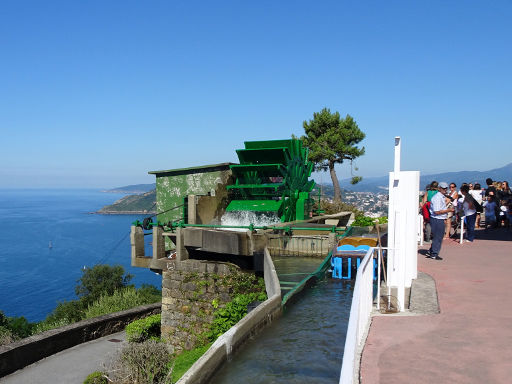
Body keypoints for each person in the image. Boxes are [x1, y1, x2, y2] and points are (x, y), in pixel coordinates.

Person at [427, 182, 454, 260]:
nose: (445, 190)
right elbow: (436, 211)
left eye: (446, 188)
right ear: (439, 188)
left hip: (439, 219)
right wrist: (448, 210)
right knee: (438, 237)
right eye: (443, 188)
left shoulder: (441, 197)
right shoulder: (437, 198)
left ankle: (432, 251)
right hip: (437, 219)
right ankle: (434, 254)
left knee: (438, 236)